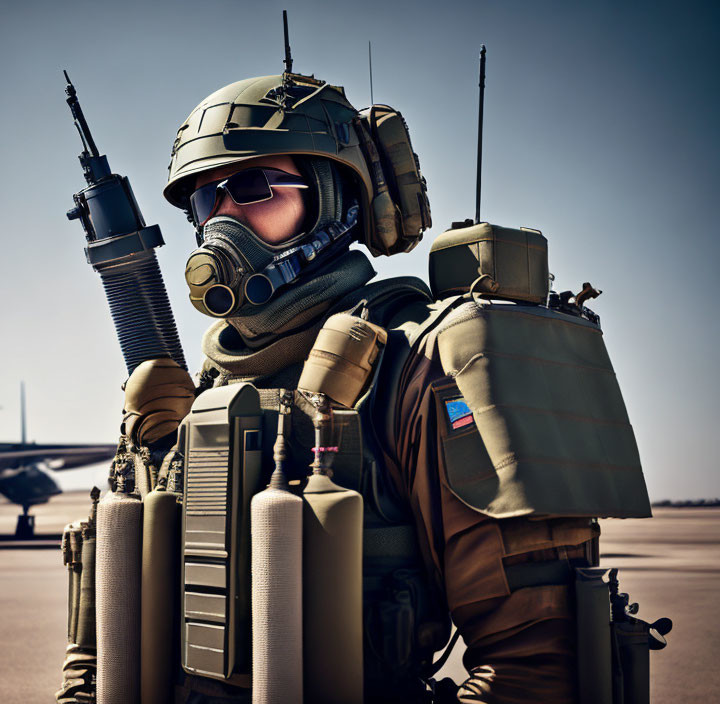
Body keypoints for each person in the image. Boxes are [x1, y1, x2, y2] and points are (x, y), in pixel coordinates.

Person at [124, 69, 651, 703]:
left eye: (254, 186)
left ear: (333, 198)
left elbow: (539, 663)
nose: (221, 223)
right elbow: (111, 622)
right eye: (206, 202)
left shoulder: (419, 361)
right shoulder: (198, 389)